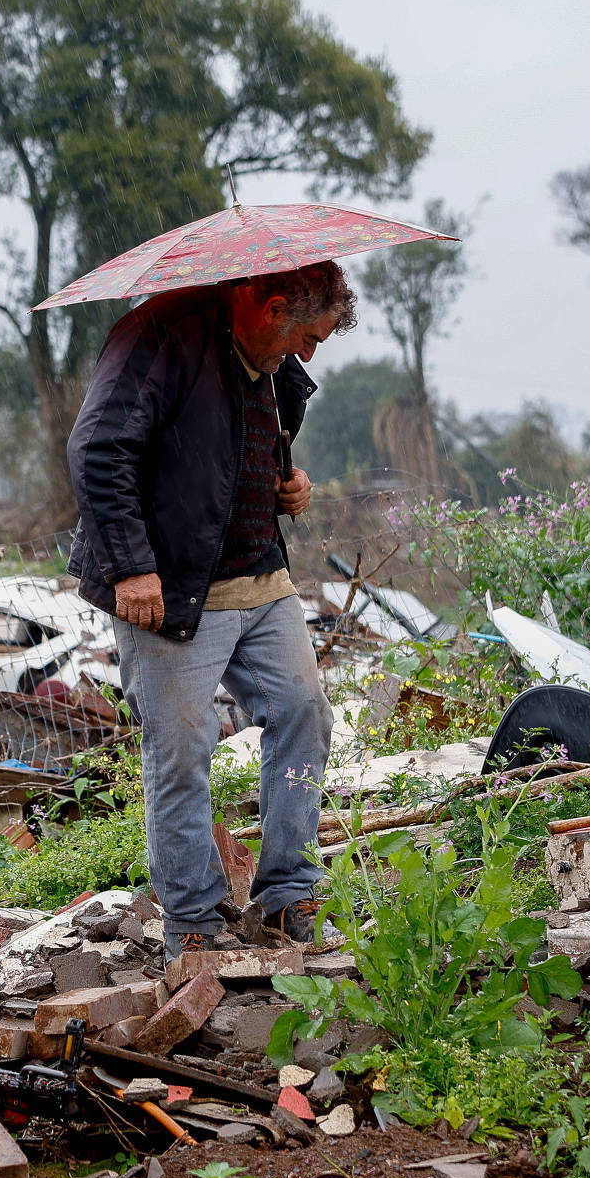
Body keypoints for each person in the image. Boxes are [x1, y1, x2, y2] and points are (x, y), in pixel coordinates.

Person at [66, 261, 353, 959]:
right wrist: (132, 567)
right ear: (270, 305)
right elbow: (98, 451)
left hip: (258, 577)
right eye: (305, 338)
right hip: (170, 587)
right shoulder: (157, 334)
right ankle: (194, 927)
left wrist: (287, 480)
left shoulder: (269, 358)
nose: (307, 354)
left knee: (302, 713)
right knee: (181, 753)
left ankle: (288, 896)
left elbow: (249, 438)